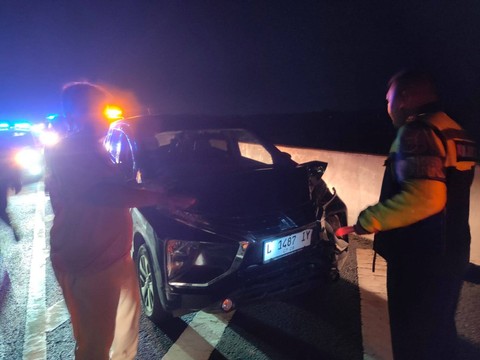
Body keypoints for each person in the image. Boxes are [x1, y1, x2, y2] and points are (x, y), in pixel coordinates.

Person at [45, 81, 194, 360]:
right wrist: (160, 198)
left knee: (124, 328)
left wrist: (152, 189)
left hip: (114, 256)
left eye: (104, 111)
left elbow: (111, 187)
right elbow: (100, 193)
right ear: (74, 116)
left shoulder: (94, 148)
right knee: (95, 343)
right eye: (96, 112)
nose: (105, 119)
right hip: (89, 262)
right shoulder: (68, 151)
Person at [353, 70, 477, 359]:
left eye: (389, 98)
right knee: (439, 331)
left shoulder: (418, 132)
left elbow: (424, 199)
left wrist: (368, 220)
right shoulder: (455, 131)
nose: (387, 106)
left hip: (418, 259)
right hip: (453, 251)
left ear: (405, 98)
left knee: (412, 337)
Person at [0, 142, 22, 241]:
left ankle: (13, 228)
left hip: (2, 183)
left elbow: (13, 165)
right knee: (1, 210)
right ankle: (13, 228)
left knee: (1, 210)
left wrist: (16, 181)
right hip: (3, 183)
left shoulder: (5, 148)